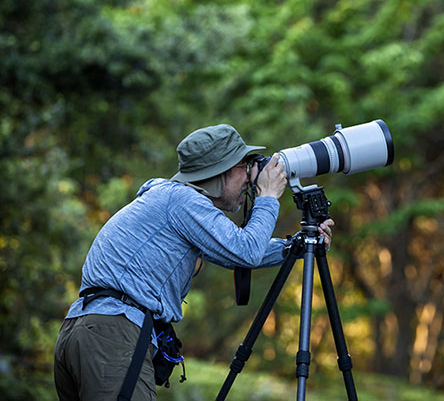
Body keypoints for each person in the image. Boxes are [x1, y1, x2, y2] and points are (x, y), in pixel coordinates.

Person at [53, 124, 334, 400]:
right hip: (112, 334)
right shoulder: (182, 200)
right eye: (245, 165)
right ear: (219, 172)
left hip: (86, 329)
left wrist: (295, 246)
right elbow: (245, 250)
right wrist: (269, 196)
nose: (251, 177)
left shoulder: (170, 200)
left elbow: (239, 251)